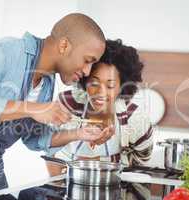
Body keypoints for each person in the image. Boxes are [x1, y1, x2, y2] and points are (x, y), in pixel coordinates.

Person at [0, 13, 114, 200]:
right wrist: (34, 108)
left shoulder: (47, 84)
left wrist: (79, 134)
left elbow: (34, 138)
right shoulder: (5, 51)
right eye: (87, 60)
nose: (87, 71)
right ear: (64, 45)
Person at [46, 39, 154, 176]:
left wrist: (96, 163)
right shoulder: (67, 104)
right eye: (94, 83)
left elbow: (142, 163)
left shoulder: (134, 117)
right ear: (84, 81)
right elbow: (50, 151)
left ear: (122, 86)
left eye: (110, 86)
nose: (101, 93)